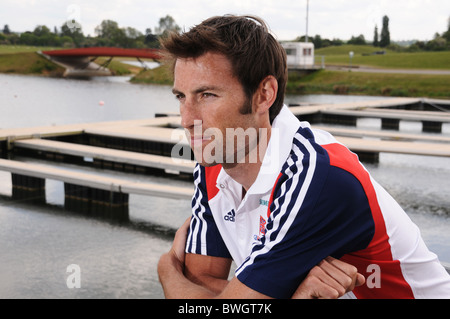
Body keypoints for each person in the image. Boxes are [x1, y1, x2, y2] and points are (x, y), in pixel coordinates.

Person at [157, 15, 450, 299]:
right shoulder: (214, 159)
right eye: (181, 96)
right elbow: (202, 283)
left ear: (264, 95)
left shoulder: (318, 176)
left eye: (207, 95)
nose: (186, 119)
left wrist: (167, 272)